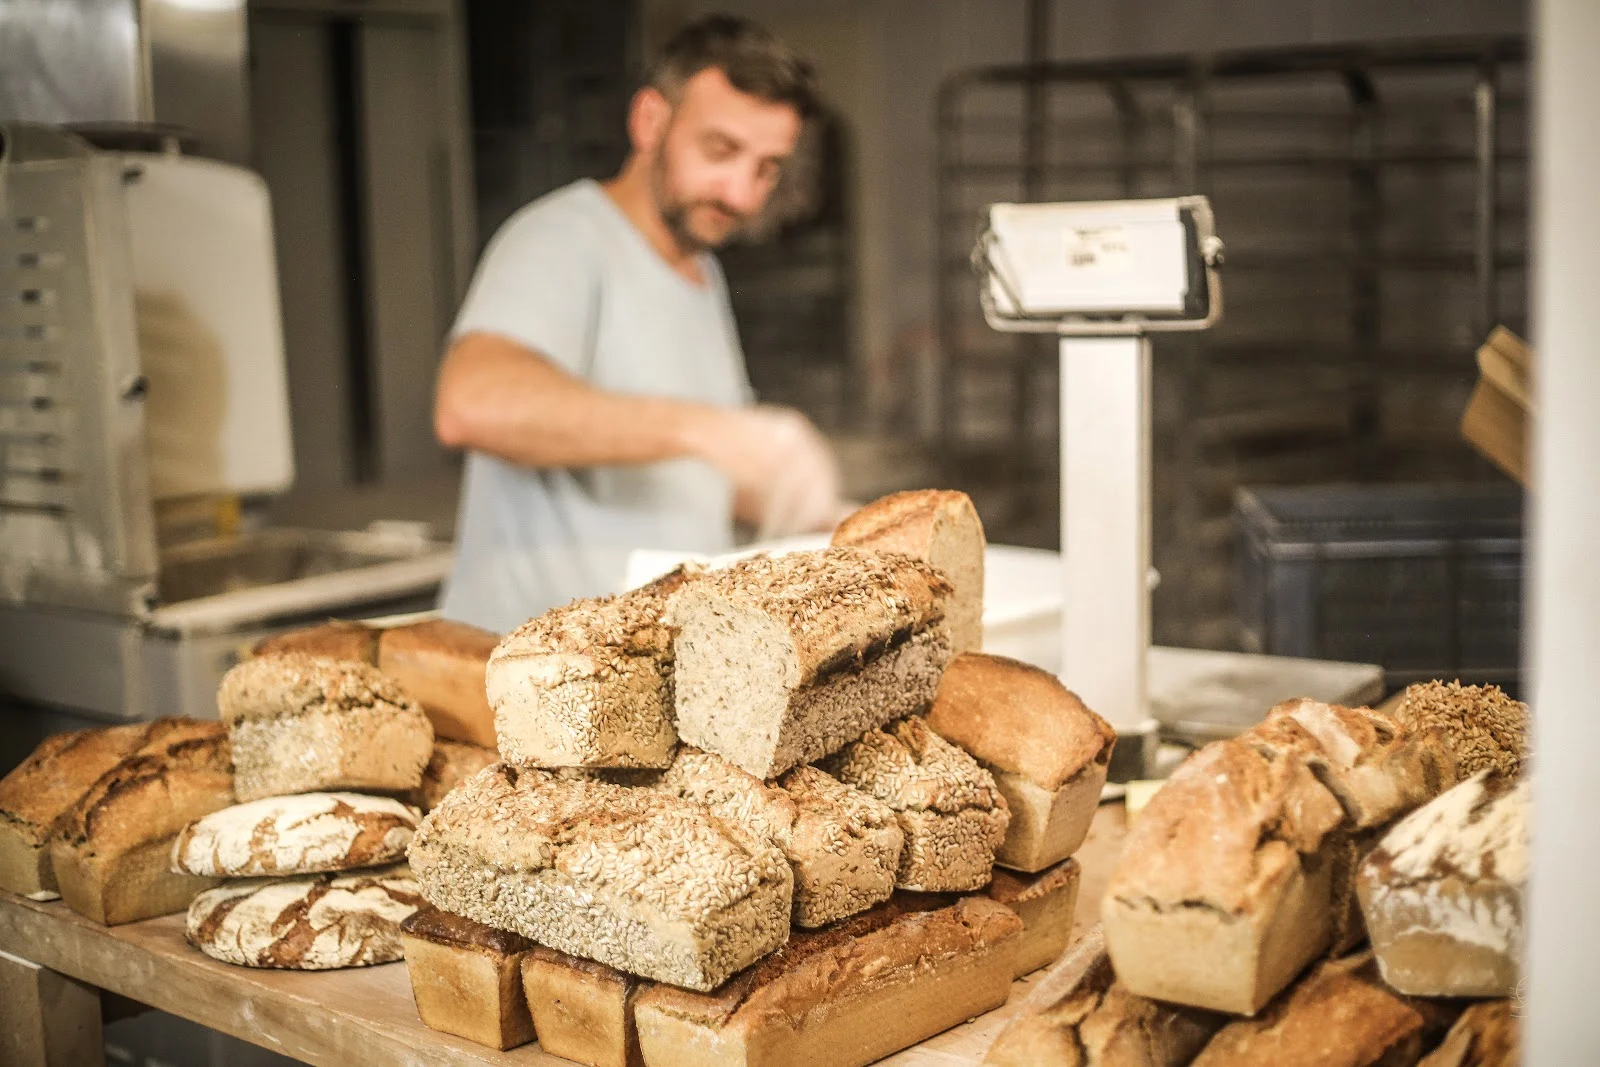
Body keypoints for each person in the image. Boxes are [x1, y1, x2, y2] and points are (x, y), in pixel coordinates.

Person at [433, 15, 843, 634]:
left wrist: (799, 500)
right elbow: (472, 402)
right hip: (532, 673)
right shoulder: (562, 238)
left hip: (633, 673)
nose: (742, 193)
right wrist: (713, 430)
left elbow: (677, 466)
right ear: (650, 121)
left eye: (767, 168)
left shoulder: (701, 272)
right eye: (721, 150)